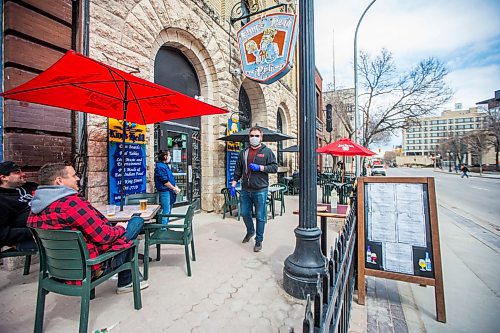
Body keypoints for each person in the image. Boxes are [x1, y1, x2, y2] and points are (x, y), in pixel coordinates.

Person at [27, 162, 148, 293]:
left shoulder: (35, 209)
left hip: (57, 269)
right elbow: (105, 236)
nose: (77, 178)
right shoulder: (71, 204)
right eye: (73, 176)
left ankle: (127, 281)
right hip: (91, 267)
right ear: (59, 181)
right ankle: (126, 281)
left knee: (122, 235)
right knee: (136, 222)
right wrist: (120, 228)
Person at [231, 126, 278, 252]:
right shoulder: (243, 152)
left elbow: (274, 167)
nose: (254, 138)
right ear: (249, 137)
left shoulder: (267, 152)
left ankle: (259, 240)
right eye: (252, 136)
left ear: (261, 138)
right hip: (245, 189)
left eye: (257, 136)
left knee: (260, 216)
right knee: (245, 213)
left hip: (260, 189)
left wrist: (260, 168)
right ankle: (250, 231)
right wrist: (233, 185)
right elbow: (238, 170)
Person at [0, 161, 38, 251]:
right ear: (3, 177)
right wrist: (33, 233)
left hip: (55, 225)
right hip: (30, 237)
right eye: (17, 172)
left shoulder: (31, 186)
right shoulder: (2, 199)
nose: (23, 174)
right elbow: (2, 234)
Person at [154, 150, 180, 224]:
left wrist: (175, 186)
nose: (170, 157)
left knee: (169, 210)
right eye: (169, 155)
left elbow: (170, 178)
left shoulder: (165, 165)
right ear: (165, 156)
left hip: (170, 191)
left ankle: (166, 226)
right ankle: (163, 229)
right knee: (166, 211)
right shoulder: (160, 167)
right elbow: (164, 181)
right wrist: (174, 188)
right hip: (165, 191)